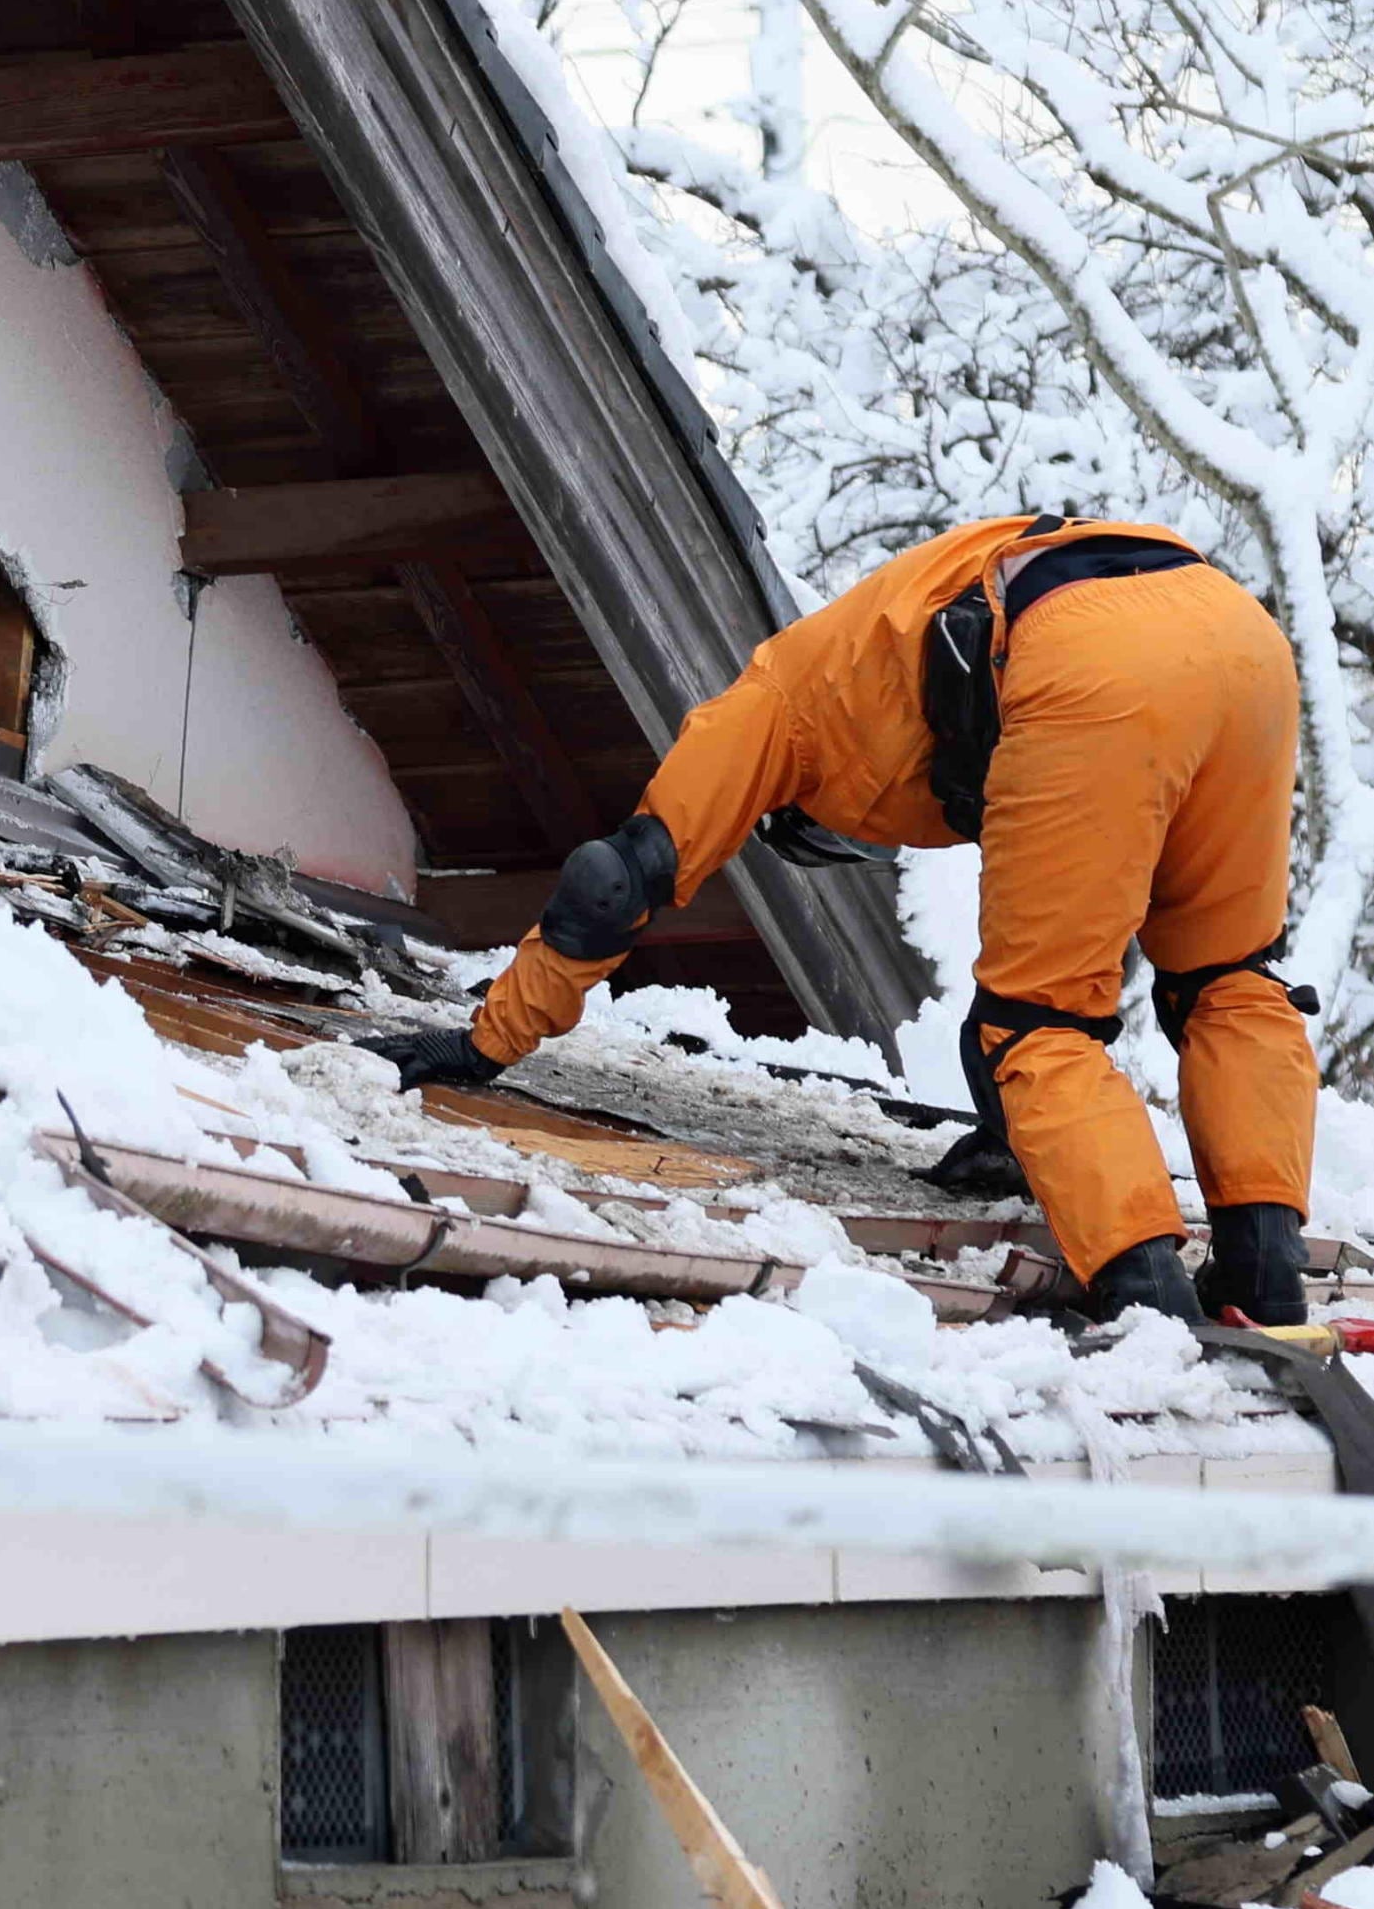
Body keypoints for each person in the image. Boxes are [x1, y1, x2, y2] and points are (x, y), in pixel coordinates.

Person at [356, 513, 1316, 1329]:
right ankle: (1266, 1271)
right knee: (1228, 980)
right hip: (1237, 637)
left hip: (1085, 658)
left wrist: (488, 1042)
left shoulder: (775, 704)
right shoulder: (879, 649)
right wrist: (1011, 1136)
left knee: (1040, 1019)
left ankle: (1146, 1302)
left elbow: (616, 880)